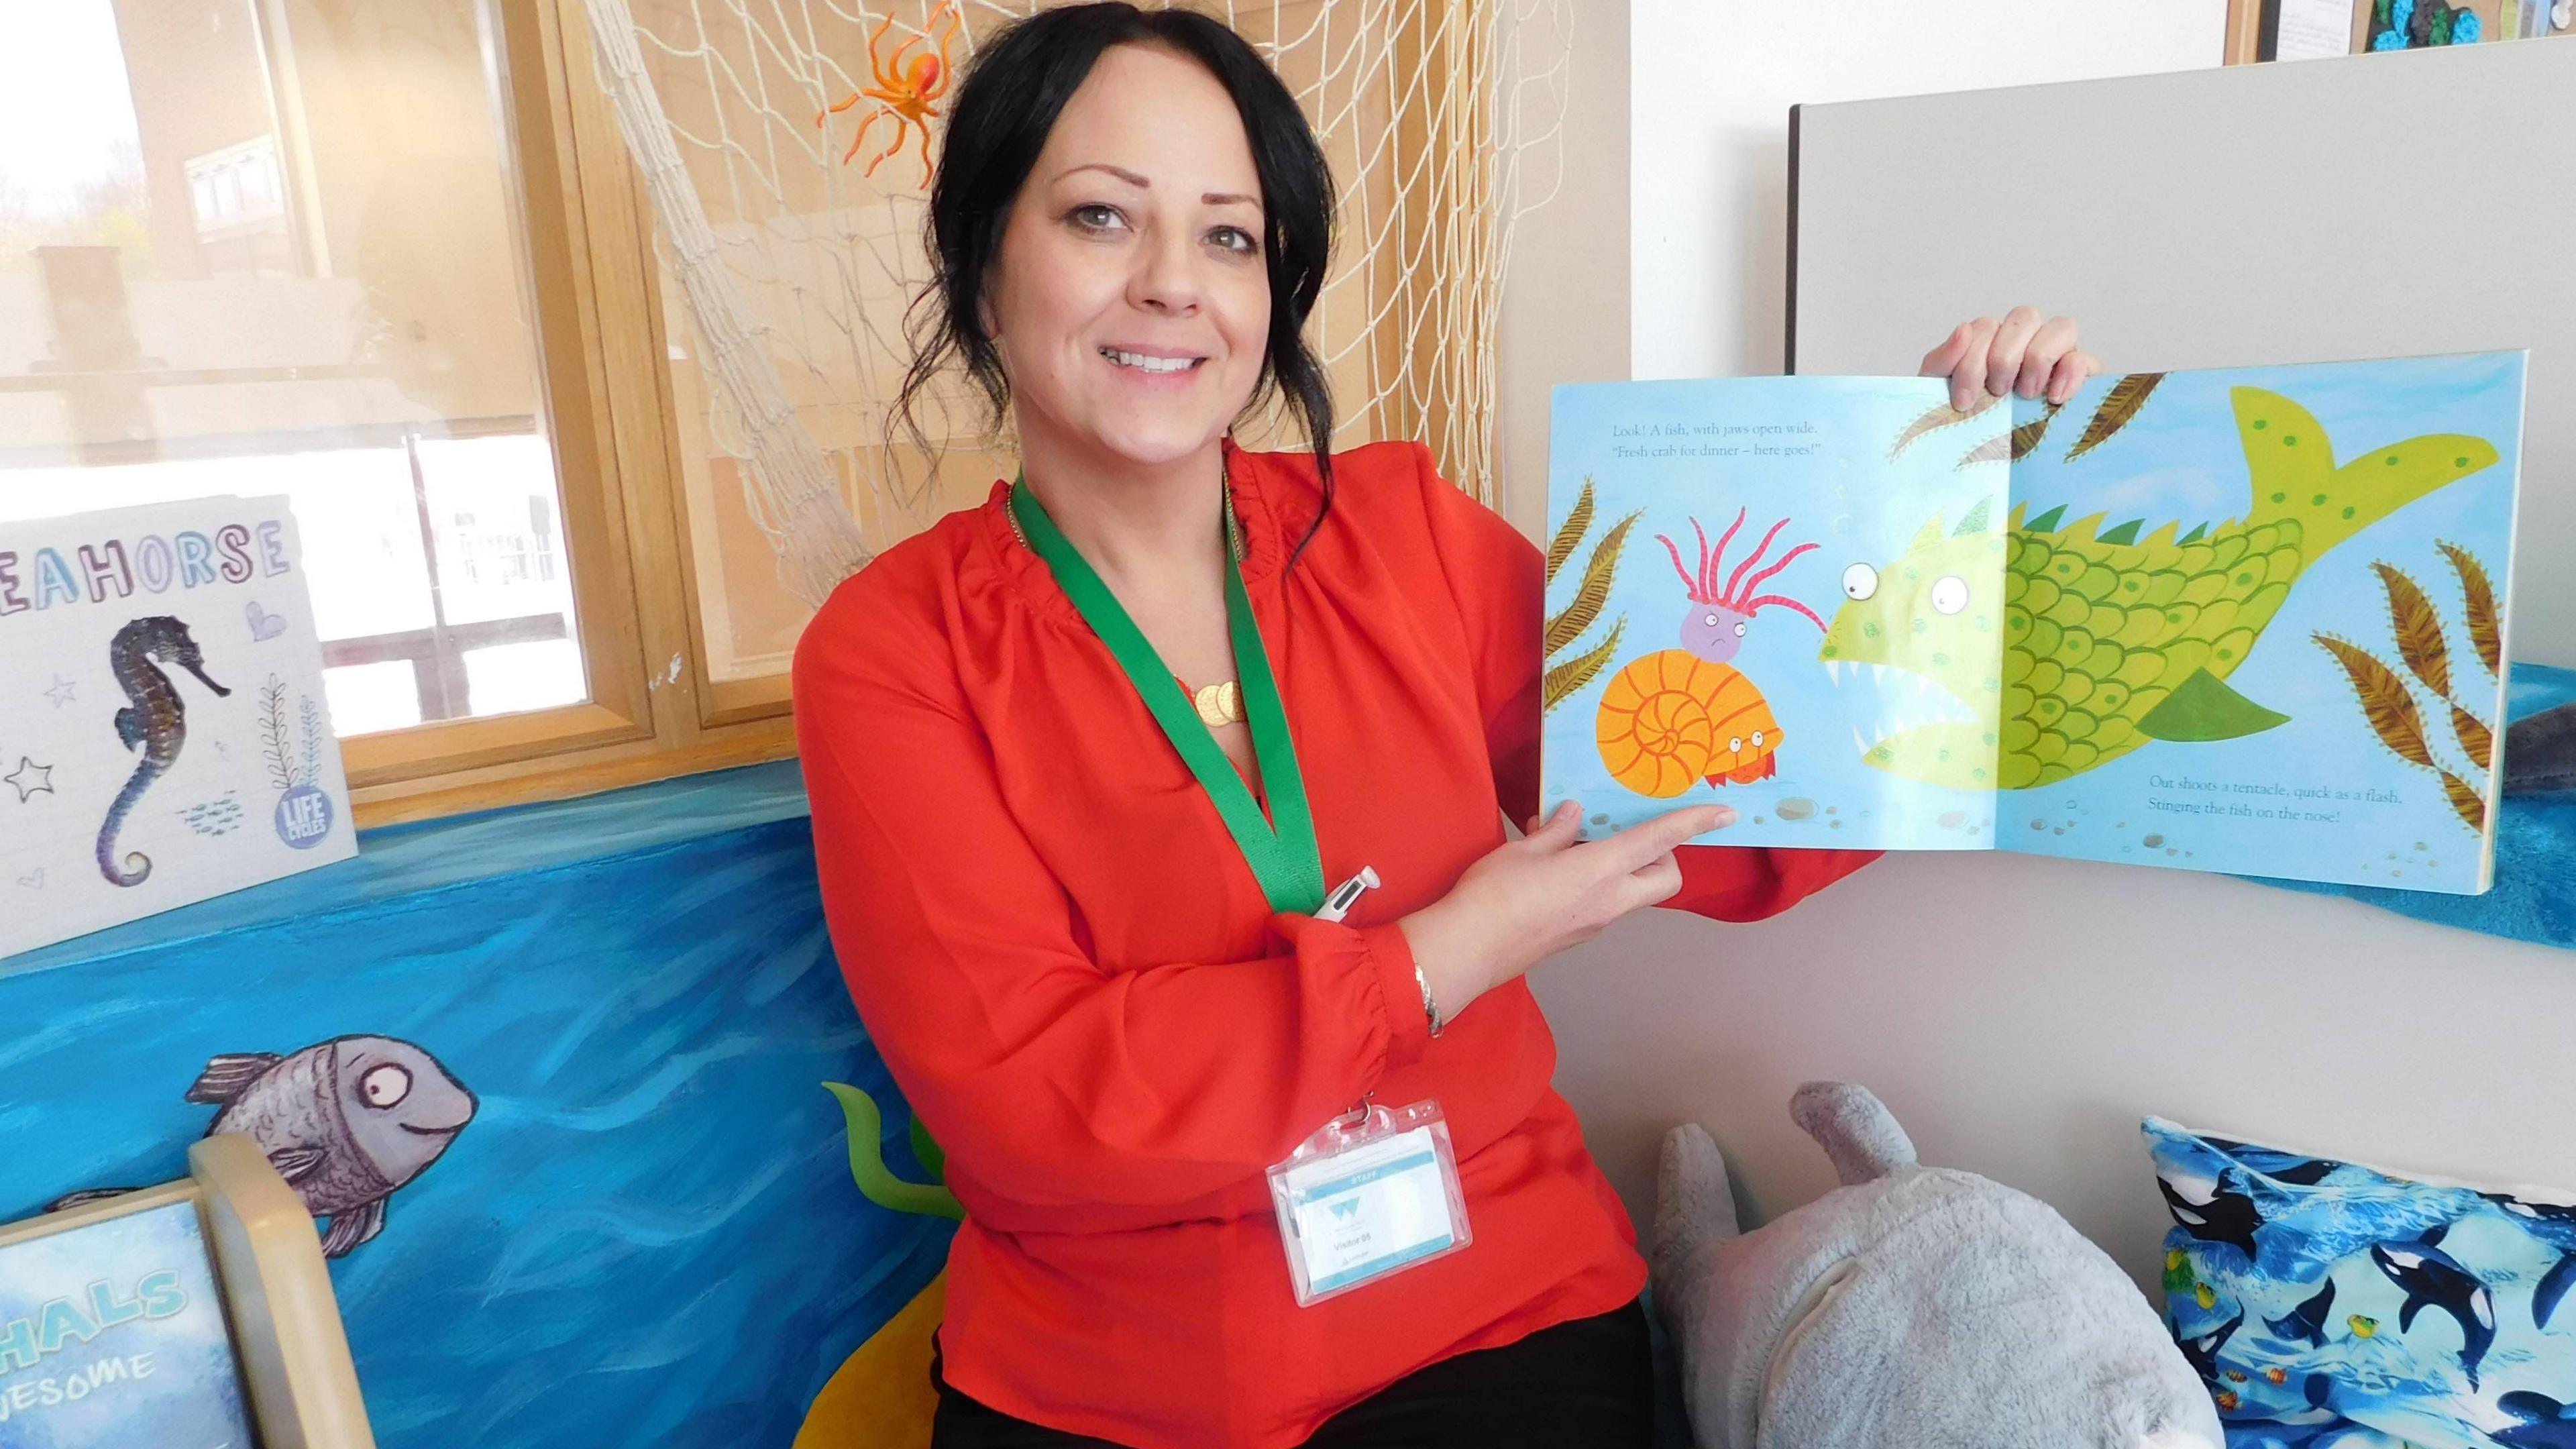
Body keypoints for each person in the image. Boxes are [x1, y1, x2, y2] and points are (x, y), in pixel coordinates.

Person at [791, 6, 2100, 1447]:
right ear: (983, 271)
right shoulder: (890, 654)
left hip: (1500, 1322)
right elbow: (1034, 1110)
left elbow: (1717, 817)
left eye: (1229, 237)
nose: (1173, 284)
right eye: (1102, 217)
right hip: (1121, 1384)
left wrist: (1930, 505)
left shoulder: (1405, 537)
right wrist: (1439, 958)